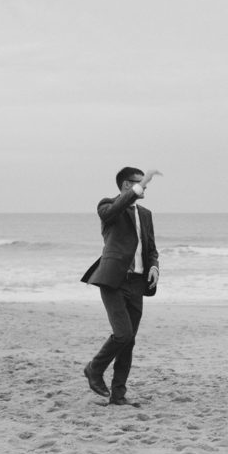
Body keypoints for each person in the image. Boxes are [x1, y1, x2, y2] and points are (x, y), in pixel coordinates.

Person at [81, 166, 162, 406]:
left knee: (130, 340)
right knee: (122, 334)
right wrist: (142, 182)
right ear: (127, 185)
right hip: (113, 281)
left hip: (137, 282)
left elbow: (151, 248)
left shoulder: (145, 214)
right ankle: (94, 369)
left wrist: (155, 266)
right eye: (139, 183)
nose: (145, 186)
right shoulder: (107, 206)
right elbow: (115, 209)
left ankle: (118, 395)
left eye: (144, 183)